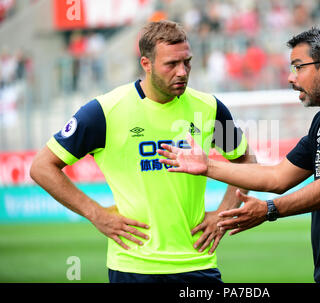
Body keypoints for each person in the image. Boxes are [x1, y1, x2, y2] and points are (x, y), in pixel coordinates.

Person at [157, 25, 320, 283]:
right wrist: (207, 166)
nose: (291, 77)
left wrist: (269, 210)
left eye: (298, 66)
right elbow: (277, 177)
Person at [29, 20, 255, 283]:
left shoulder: (209, 108)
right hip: (133, 266)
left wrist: (224, 212)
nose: (182, 72)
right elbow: (41, 167)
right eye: (171, 64)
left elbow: (246, 158)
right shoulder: (104, 112)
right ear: (146, 64)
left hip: (197, 262)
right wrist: (95, 213)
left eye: (188, 62)